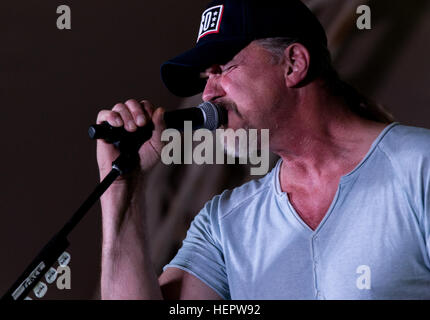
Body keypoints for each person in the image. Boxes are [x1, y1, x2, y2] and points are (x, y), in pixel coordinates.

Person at [97, 0, 430, 300]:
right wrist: (122, 188)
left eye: (221, 69)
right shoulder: (224, 224)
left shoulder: (420, 168)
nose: (208, 95)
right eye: (204, 78)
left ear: (293, 63)